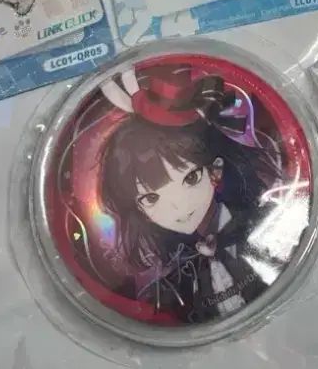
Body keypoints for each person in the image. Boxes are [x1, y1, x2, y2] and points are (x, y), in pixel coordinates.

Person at [98, 64, 283, 323]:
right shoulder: (169, 280)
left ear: (215, 171)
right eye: (150, 198)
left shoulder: (268, 224)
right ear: (137, 209)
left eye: (191, 178)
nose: (178, 207)